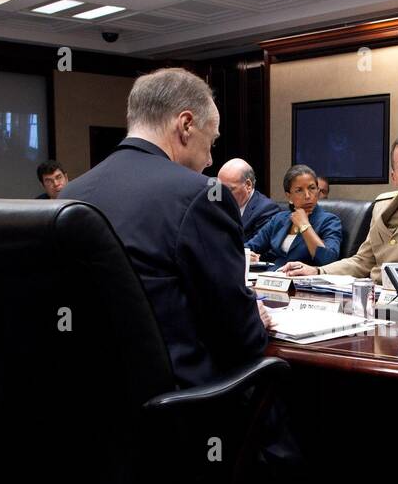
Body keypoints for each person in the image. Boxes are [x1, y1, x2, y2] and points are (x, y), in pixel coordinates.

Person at [61, 68, 270, 388]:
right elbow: (240, 338)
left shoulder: (70, 194)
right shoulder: (201, 196)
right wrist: (255, 318)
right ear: (186, 125)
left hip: (89, 398)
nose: (210, 159)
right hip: (183, 404)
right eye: (211, 141)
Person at [282, 136, 398, 284]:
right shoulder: (383, 205)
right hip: (375, 296)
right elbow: (363, 261)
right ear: (394, 177)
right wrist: (317, 272)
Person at [246, 164, 342, 268]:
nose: (307, 196)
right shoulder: (279, 219)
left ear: (318, 191)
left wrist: (304, 225)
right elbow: (250, 246)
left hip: (302, 280)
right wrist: (247, 254)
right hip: (273, 277)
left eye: (312, 188)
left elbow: (328, 260)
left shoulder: (330, 221)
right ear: (289, 196)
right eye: (299, 190)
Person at [218, 158, 281, 240]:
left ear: (248, 185)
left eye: (230, 189)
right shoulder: (217, 205)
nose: (223, 195)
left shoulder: (266, 210)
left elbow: (258, 247)